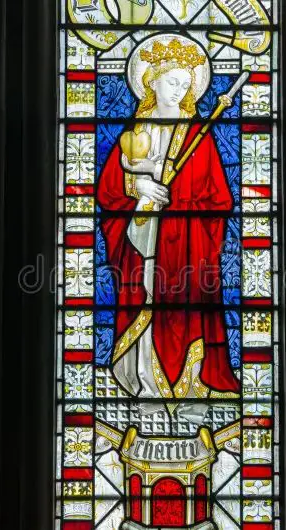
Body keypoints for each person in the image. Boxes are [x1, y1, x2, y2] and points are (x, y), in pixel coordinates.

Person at [97, 35, 239, 416]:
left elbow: (221, 200)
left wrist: (182, 206)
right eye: (172, 81)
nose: (180, 90)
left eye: (186, 84)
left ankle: (189, 390)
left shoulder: (198, 135)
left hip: (187, 245)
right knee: (144, 302)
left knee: (183, 307)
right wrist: (137, 186)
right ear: (152, 82)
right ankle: (145, 386)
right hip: (141, 242)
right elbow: (109, 191)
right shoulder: (135, 133)